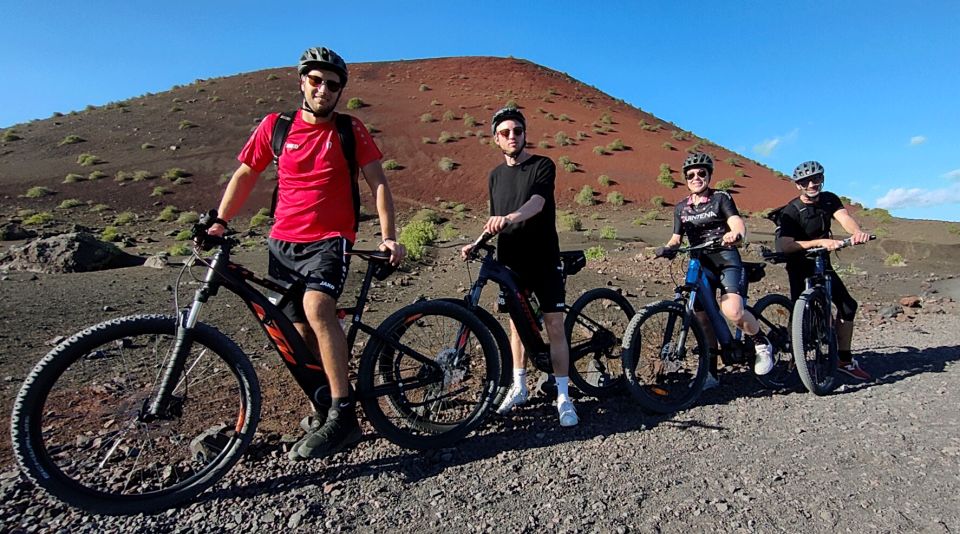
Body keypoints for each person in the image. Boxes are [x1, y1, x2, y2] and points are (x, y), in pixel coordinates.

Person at [208, 46, 406, 459]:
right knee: (295, 332)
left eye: (332, 84)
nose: (323, 89)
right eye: (316, 81)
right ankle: (323, 405)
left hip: (330, 239)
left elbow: (379, 183)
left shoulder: (350, 129)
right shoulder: (276, 127)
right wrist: (220, 221)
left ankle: (344, 414)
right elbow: (246, 173)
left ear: (339, 92)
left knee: (319, 309)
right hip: (282, 243)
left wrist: (389, 235)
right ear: (302, 82)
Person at [460, 107, 578, 427]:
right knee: (517, 326)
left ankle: (564, 396)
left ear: (525, 134)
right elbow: (494, 219)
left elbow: (537, 203)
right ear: (496, 138)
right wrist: (478, 242)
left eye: (518, 131)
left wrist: (510, 218)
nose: (512, 136)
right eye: (505, 132)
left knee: (554, 325)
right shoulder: (495, 176)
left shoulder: (542, 165)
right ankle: (519, 385)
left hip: (543, 257)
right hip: (511, 260)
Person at [659, 152, 774, 388]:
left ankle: (761, 342)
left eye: (702, 173)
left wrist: (736, 234)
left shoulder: (721, 198)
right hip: (699, 263)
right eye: (691, 175)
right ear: (685, 179)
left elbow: (736, 222)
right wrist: (667, 248)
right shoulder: (681, 207)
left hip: (726, 258)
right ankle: (710, 373)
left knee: (732, 310)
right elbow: (676, 238)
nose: (696, 177)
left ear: (709, 175)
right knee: (701, 319)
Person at [774, 160, 872, 381]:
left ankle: (844, 360)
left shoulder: (829, 199)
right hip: (800, 263)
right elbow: (787, 245)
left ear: (822, 179)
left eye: (816, 178)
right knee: (801, 314)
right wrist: (819, 242)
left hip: (822, 262)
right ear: (797, 185)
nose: (812, 184)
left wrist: (857, 233)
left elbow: (844, 218)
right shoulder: (792, 210)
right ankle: (795, 355)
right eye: (805, 181)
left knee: (847, 306)